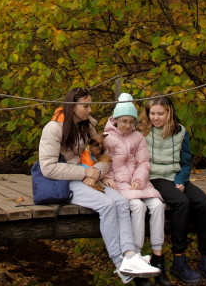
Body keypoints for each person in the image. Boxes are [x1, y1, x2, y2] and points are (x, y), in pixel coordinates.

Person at [38, 88, 159, 283]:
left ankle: (130, 255)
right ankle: (120, 264)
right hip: (64, 181)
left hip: (90, 176)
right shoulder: (53, 129)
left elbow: (103, 157)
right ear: (72, 106)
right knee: (107, 204)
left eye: (90, 105)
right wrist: (85, 172)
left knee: (120, 201)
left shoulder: (88, 128)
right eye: (85, 106)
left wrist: (97, 172)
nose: (90, 110)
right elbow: (48, 168)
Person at [141, 96, 206, 286]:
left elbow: (185, 162)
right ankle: (179, 259)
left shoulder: (181, 132)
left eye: (160, 114)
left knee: (204, 203)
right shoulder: (142, 131)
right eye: (152, 113)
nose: (156, 118)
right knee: (181, 202)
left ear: (169, 113)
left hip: (175, 176)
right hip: (154, 177)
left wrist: (181, 180)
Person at [102, 93, 171, 286]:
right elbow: (101, 161)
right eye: (124, 121)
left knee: (157, 205)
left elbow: (144, 162)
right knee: (137, 207)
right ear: (115, 119)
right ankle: (137, 256)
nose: (128, 126)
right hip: (118, 183)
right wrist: (107, 178)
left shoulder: (138, 137)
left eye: (132, 122)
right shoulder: (106, 138)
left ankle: (158, 256)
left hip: (137, 183)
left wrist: (139, 179)